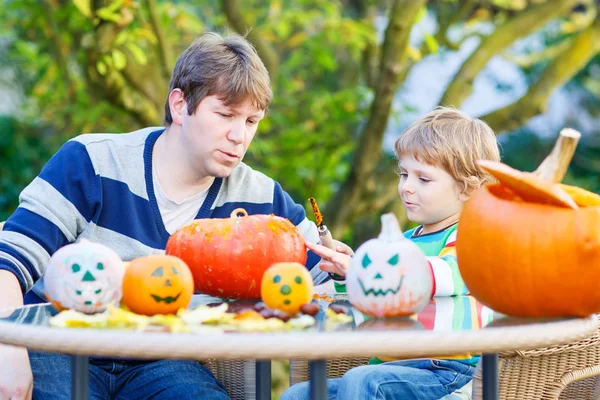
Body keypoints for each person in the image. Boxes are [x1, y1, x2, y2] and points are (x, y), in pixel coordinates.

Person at [0, 32, 330, 400]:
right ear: (179, 105)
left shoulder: (260, 200)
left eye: (252, 121)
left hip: (161, 361)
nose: (240, 136)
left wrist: (347, 271)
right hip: (59, 347)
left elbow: (325, 286)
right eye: (225, 114)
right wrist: (8, 352)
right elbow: (7, 264)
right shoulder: (91, 162)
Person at [281, 107, 501, 400]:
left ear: (467, 189)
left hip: (447, 371)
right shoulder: (404, 242)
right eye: (404, 174)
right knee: (298, 394)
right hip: (391, 367)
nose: (406, 187)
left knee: (363, 381)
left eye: (423, 179)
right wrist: (347, 276)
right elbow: (378, 295)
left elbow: (444, 275)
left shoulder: (473, 237)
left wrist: (364, 267)